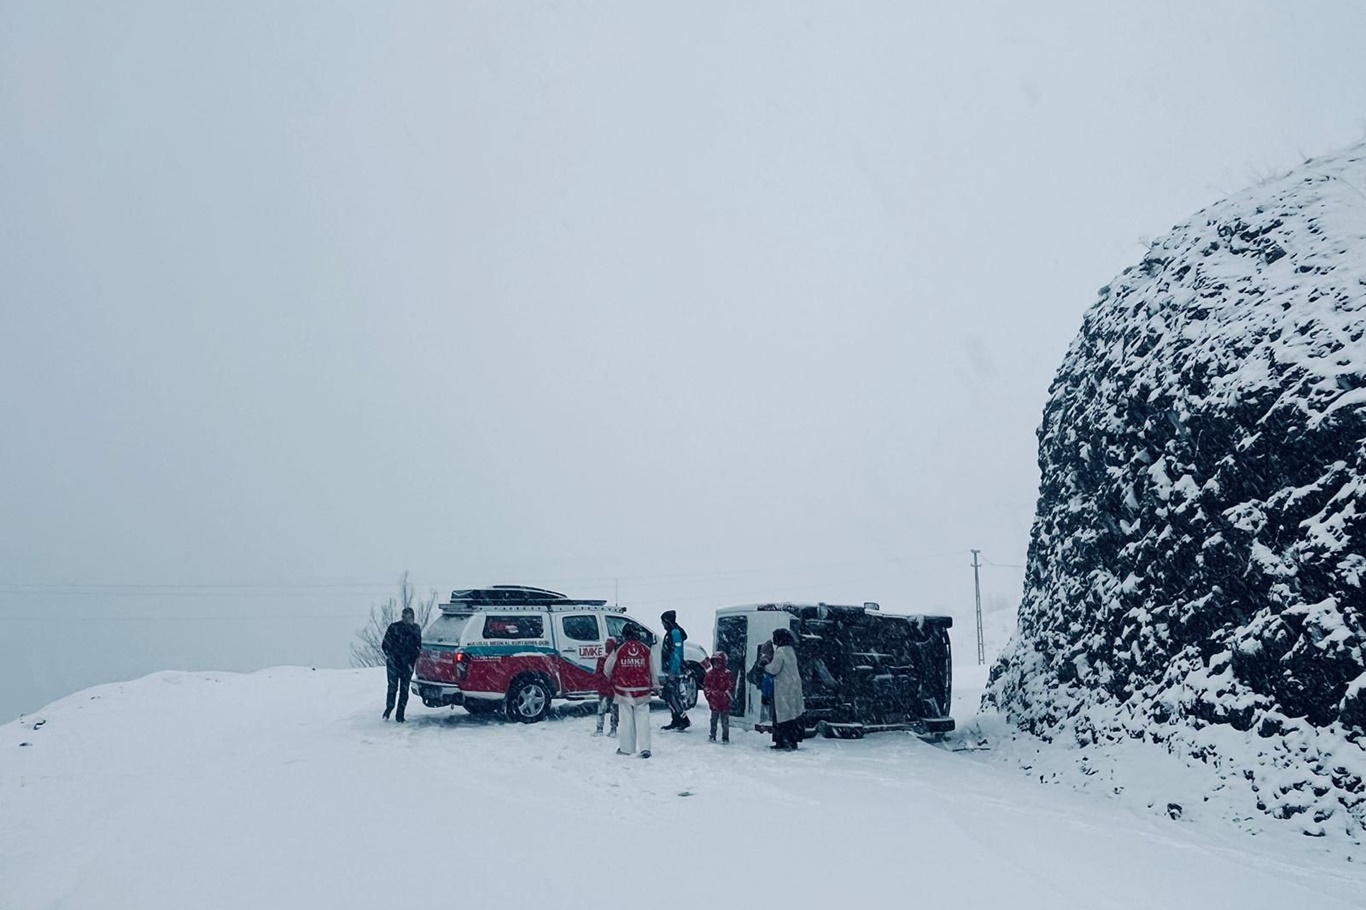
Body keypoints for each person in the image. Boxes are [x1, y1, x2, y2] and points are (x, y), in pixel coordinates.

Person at [604, 623, 659, 758]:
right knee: (643, 719)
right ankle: (645, 748)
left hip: (624, 690)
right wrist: (655, 685)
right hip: (642, 690)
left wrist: (610, 675)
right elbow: (652, 668)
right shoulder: (646, 649)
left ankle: (626, 748)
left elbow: (608, 667)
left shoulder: (619, 648)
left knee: (626, 720)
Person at [761, 628, 805, 750]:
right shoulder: (790, 650)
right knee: (792, 716)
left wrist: (764, 666)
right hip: (793, 688)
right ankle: (792, 741)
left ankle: (781, 741)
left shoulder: (780, 652)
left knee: (781, 717)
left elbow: (775, 669)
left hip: (783, 689)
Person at [381, 606, 423, 723]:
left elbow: (418, 647)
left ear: (413, 618)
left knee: (404, 690)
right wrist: (392, 656)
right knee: (392, 687)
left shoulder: (415, 629)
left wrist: (411, 658)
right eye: (404, 617)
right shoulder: (394, 627)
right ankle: (389, 709)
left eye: (409, 617)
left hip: (407, 664)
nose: (406, 620)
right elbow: (385, 645)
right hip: (394, 663)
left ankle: (400, 714)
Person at [659, 610, 690, 731]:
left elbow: (677, 653)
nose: (662, 624)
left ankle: (683, 720)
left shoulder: (675, 633)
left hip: (675, 671)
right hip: (670, 670)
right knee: (669, 695)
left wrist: (673, 670)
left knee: (673, 696)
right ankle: (676, 720)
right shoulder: (671, 632)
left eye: (663, 622)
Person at [703, 652, 734, 744]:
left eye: (718, 662)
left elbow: (731, 686)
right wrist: (710, 695)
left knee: (725, 721)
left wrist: (726, 695)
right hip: (714, 701)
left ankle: (725, 737)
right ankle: (712, 735)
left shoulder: (727, 674)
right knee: (713, 720)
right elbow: (706, 687)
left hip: (724, 702)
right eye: (715, 662)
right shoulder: (710, 674)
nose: (716, 665)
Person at [593, 637, 619, 737]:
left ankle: (605, 728)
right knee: (612, 710)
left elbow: (598, 674)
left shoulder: (606, 659)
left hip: (608, 688)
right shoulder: (612, 659)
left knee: (607, 710)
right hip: (609, 688)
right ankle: (610, 729)